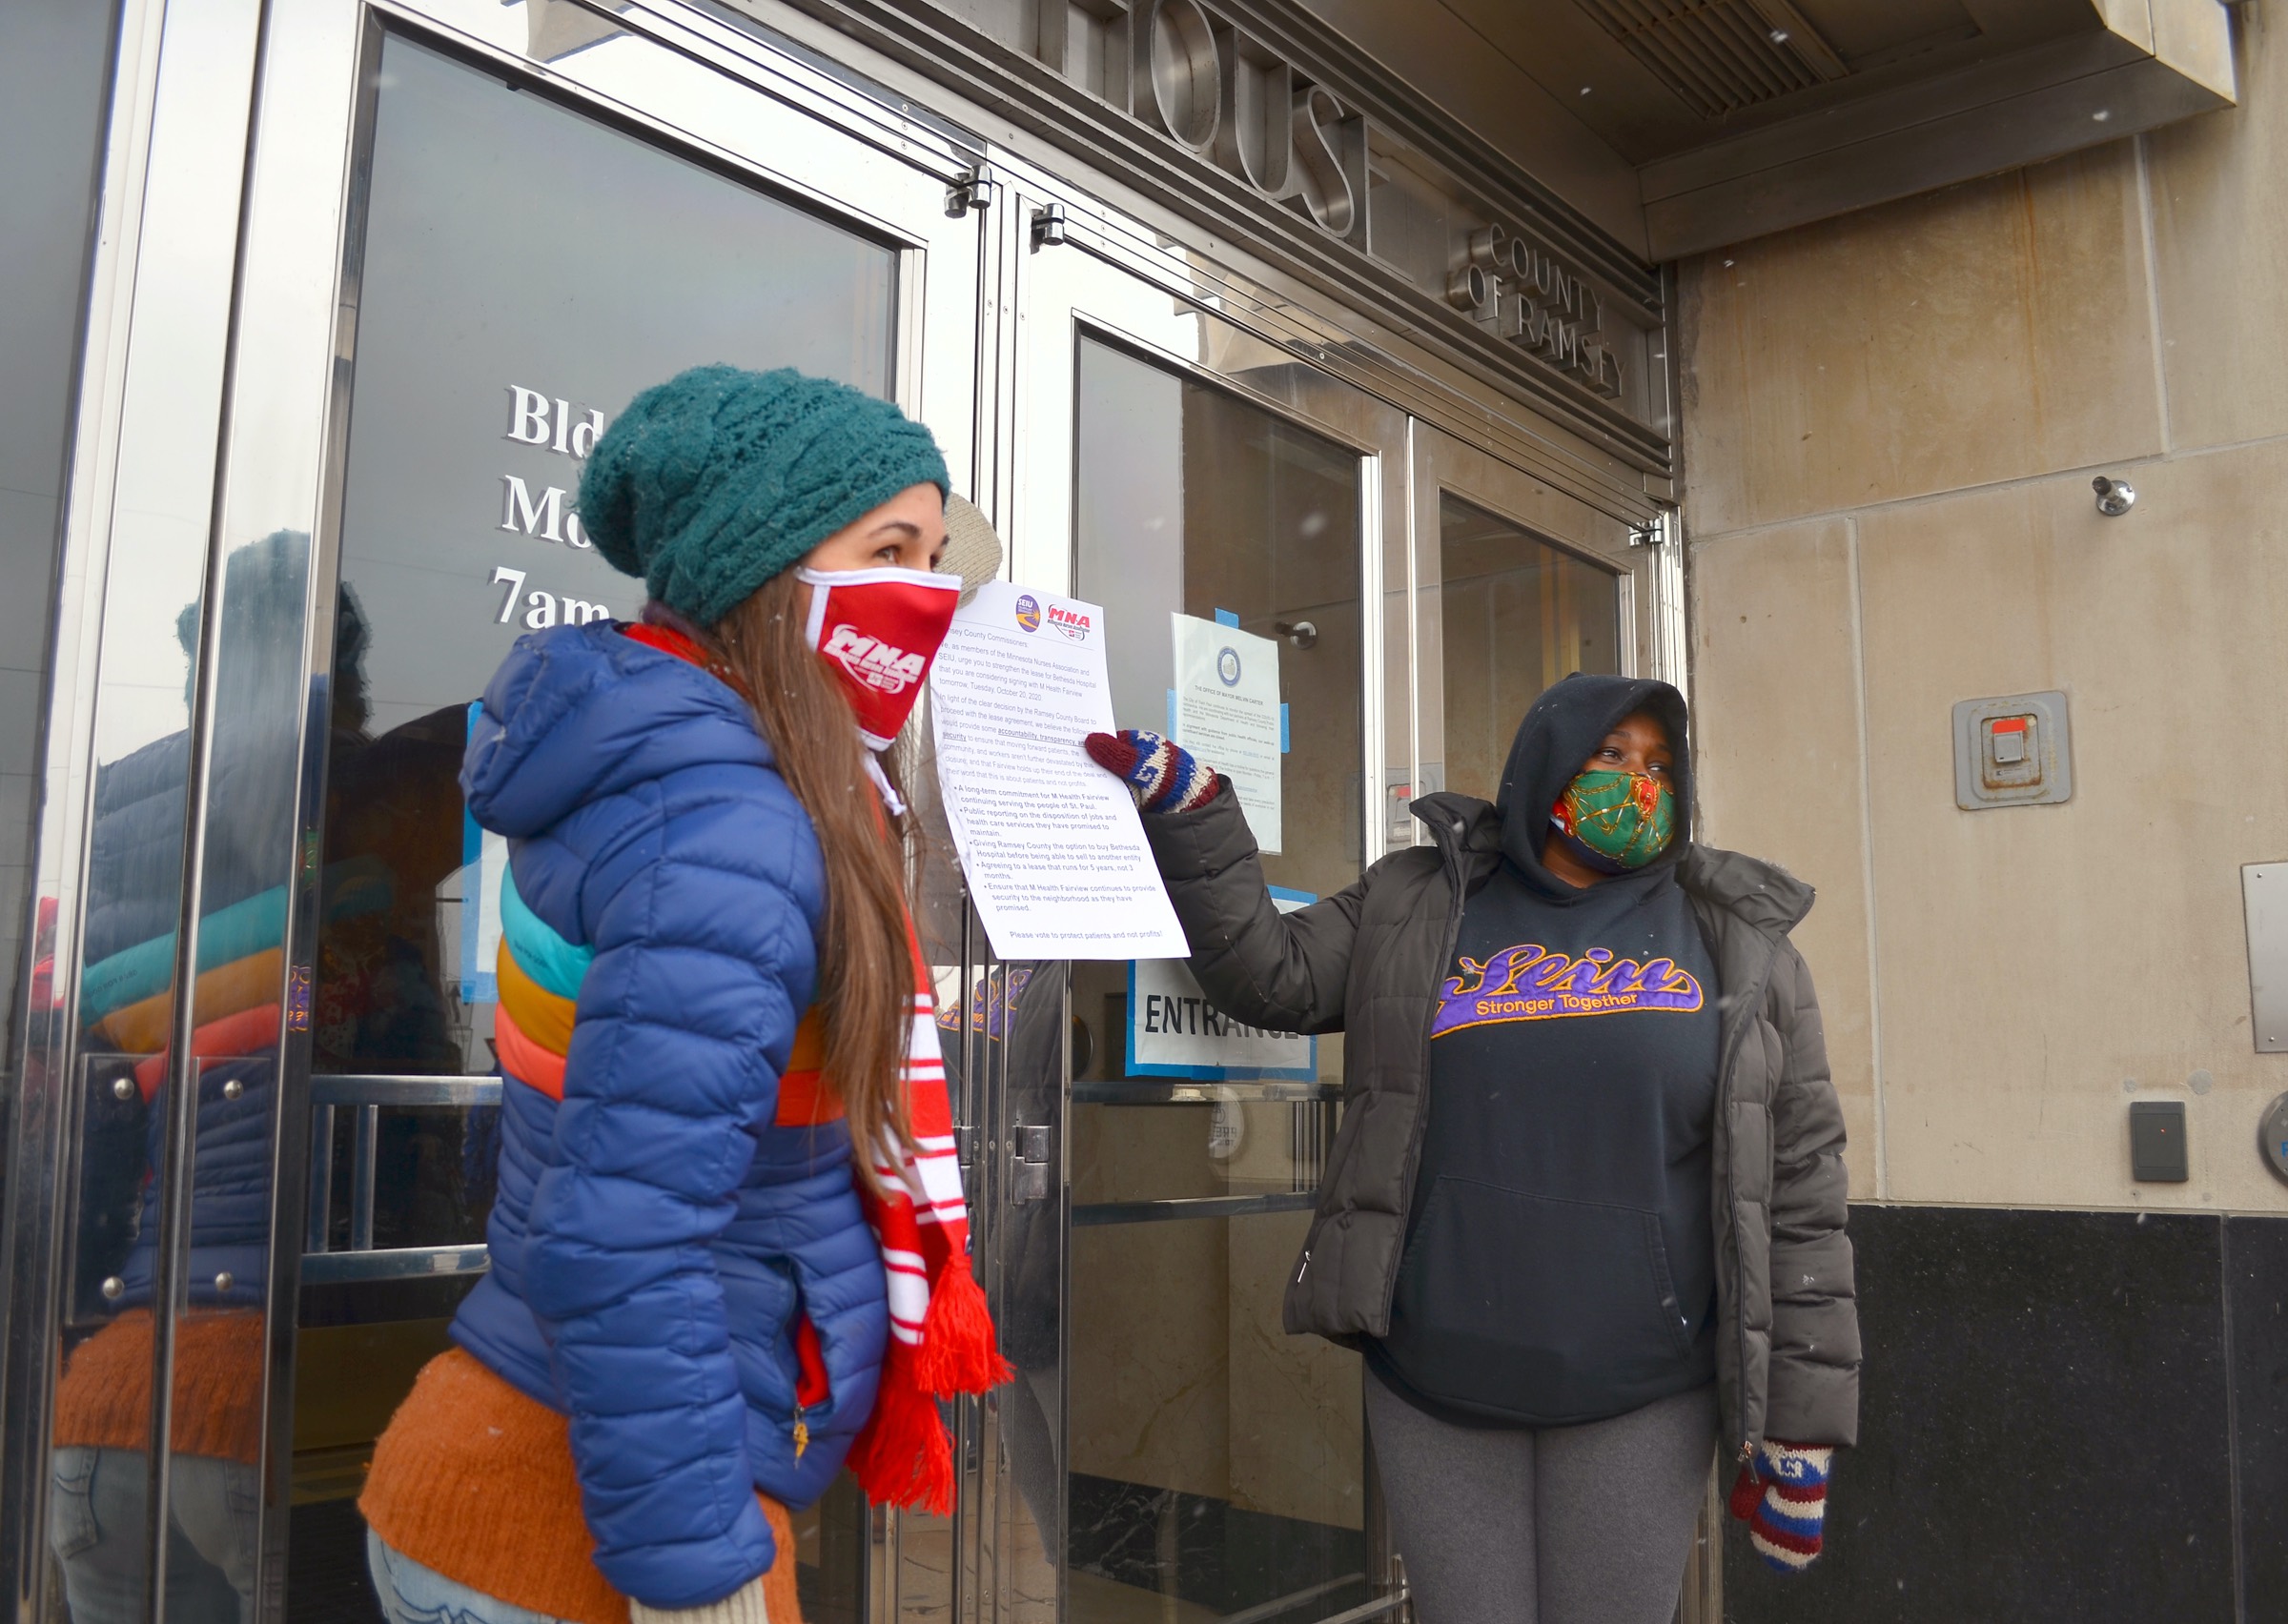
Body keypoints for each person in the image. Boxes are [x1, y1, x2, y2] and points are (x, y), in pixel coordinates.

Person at [360, 366, 1008, 1624]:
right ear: (761, 570)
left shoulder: (688, 779)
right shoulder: (731, 829)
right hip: (571, 1540)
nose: (928, 594)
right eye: (892, 550)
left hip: (542, 1473)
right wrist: (699, 1582)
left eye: (937, 556)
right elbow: (627, 1241)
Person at [1085, 673, 1858, 1624]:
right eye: (1612, 755)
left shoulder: (1739, 941)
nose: (1637, 783)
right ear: (1546, 759)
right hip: (1436, 1380)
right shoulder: (1417, 903)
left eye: (1659, 764)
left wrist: (1801, 1426)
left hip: (1644, 1386)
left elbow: (1802, 1186)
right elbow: (1269, 978)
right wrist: (1199, 814)